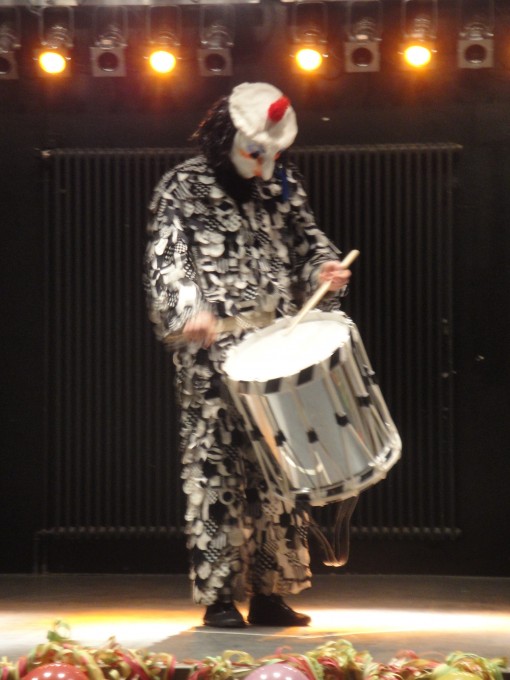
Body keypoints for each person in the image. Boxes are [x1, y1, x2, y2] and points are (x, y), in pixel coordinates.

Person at [143, 82, 353, 628]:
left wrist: (324, 270)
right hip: (211, 355)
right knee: (214, 469)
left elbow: (308, 242)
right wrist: (188, 308)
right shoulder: (182, 186)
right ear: (226, 136)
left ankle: (270, 592)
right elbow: (168, 258)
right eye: (255, 152)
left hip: (275, 345)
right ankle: (219, 597)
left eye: (272, 155)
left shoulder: (281, 184)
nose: (263, 165)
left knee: (280, 470)